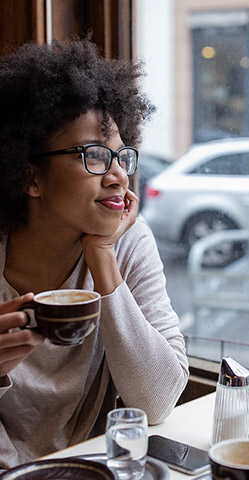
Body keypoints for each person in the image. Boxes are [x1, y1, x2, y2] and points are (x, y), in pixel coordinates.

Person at [0, 39, 188, 470]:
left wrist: (103, 256)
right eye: (95, 156)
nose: (119, 175)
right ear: (30, 176)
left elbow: (156, 401)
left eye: (122, 157)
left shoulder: (129, 243)